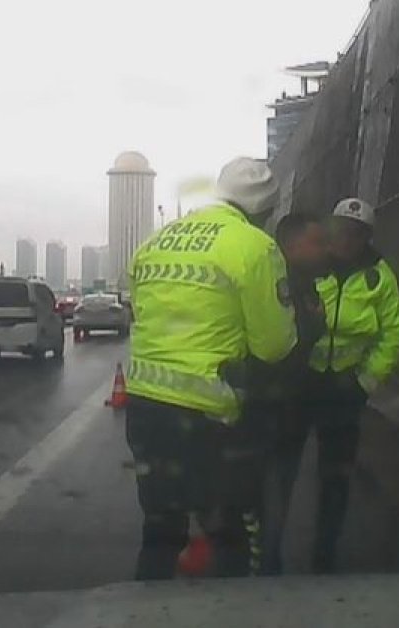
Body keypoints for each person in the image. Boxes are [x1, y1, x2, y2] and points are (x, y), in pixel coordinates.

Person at [124, 157, 298, 580]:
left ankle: (144, 611)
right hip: (209, 416)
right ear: (265, 210)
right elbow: (274, 346)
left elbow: (138, 312)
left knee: (161, 530)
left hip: (144, 407)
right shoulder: (254, 246)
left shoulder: (155, 241)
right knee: (230, 533)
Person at [274, 197, 399, 574]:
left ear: (366, 237)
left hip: (345, 389)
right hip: (302, 383)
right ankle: (268, 551)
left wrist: (366, 381)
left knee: (336, 476)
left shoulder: (379, 276)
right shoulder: (311, 267)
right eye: (340, 230)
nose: (345, 239)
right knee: (283, 467)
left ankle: (324, 556)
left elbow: (393, 331)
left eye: (355, 233)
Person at [243, 212, 332, 575]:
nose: (325, 249)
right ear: (292, 245)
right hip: (264, 411)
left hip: (290, 413)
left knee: (272, 497)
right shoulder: (276, 283)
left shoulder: (308, 282)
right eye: (317, 242)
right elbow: (279, 342)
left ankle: (263, 564)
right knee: (261, 498)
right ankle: (260, 571)